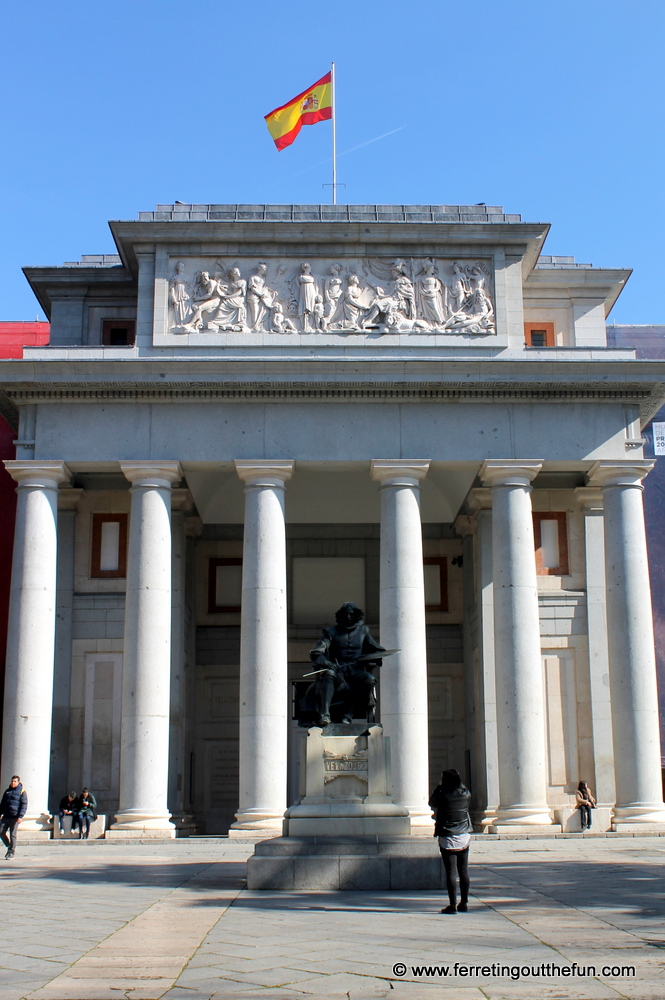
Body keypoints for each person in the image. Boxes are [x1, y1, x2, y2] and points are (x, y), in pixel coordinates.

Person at [306, 602, 385, 726]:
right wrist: (327, 662)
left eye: (351, 614)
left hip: (355, 671)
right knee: (329, 674)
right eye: (346, 614)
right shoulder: (330, 632)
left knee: (369, 680)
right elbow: (317, 652)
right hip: (337, 670)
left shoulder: (363, 631)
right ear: (341, 616)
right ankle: (325, 714)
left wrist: (371, 659)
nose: (348, 617)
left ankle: (348, 715)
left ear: (356, 616)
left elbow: (377, 650)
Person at [429, 769, 472, 914]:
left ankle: (452, 905)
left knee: (451, 872)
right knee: (463, 870)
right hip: (463, 836)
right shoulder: (465, 794)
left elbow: (431, 802)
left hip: (447, 836)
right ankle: (464, 903)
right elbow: (463, 788)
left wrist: (440, 786)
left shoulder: (443, 795)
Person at [0, 775, 28, 859]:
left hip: (15, 817)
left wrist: (20, 816)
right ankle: (9, 846)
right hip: (6, 816)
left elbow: (24, 805)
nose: (13, 783)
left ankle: (11, 852)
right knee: (1, 832)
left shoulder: (22, 792)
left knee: (13, 834)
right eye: (12, 781)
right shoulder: (7, 791)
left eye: (15, 781)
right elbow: (2, 804)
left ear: (18, 782)